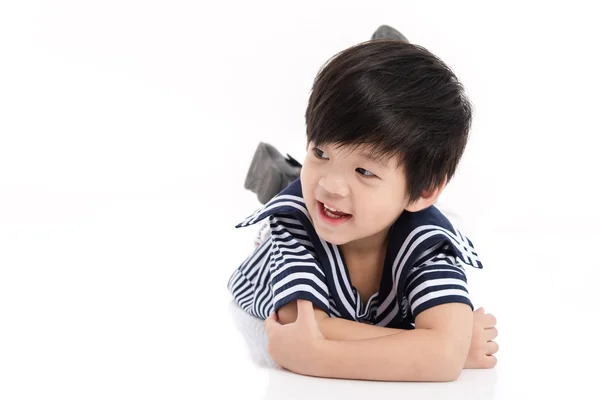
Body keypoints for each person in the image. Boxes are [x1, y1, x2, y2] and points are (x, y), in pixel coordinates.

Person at [227, 25, 499, 382]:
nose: (331, 185)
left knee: (377, 194)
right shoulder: (291, 227)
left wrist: (318, 355)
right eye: (320, 151)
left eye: (364, 171)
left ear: (424, 192)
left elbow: (443, 357)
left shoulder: (429, 240)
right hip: (299, 226)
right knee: (300, 194)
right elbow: (302, 328)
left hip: (392, 212)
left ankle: (380, 91)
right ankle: (289, 176)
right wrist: (438, 343)